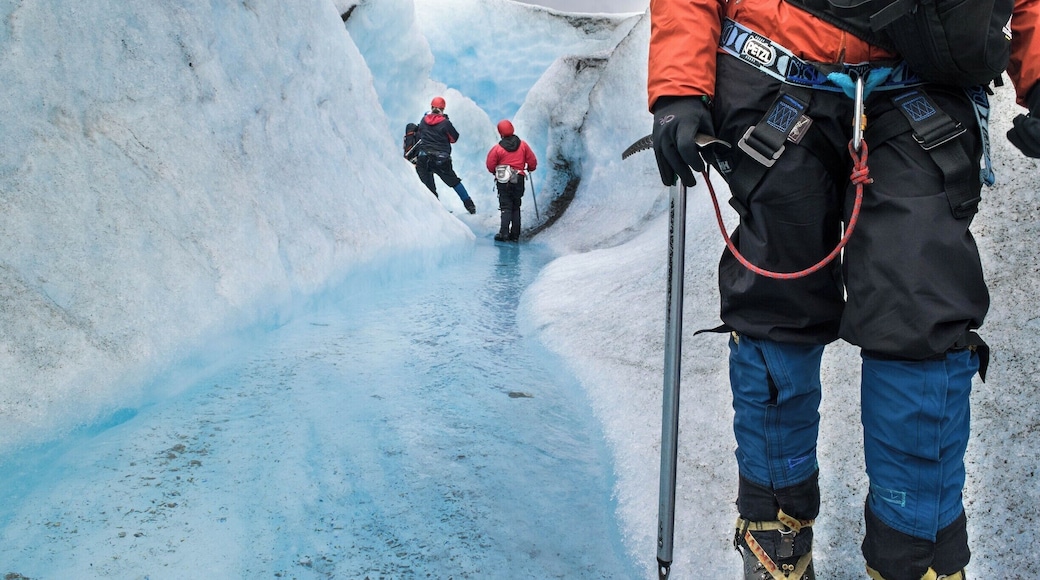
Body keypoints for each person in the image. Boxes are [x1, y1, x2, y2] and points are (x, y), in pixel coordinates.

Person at [647, 1, 1040, 579]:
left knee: (919, 308)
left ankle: (915, 556)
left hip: (919, 86)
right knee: (776, 304)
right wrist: (679, 86)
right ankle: (775, 529)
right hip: (774, 77)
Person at [414, 96, 476, 214]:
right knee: (454, 182)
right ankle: (469, 205)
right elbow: (454, 138)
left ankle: (436, 212)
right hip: (441, 159)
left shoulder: (423, 120)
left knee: (428, 186)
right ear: (443, 109)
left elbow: (420, 133)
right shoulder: (445, 123)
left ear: (431, 107)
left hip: (423, 157)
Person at [485, 119, 537, 242]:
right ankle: (515, 235)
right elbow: (532, 161)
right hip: (518, 177)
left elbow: (490, 164)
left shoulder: (497, 149)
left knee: (506, 206)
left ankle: (503, 233)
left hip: (504, 178)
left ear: (500, 133)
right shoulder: (523, 145)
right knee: (516, 205)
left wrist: (495, 172)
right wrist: (530, 168)